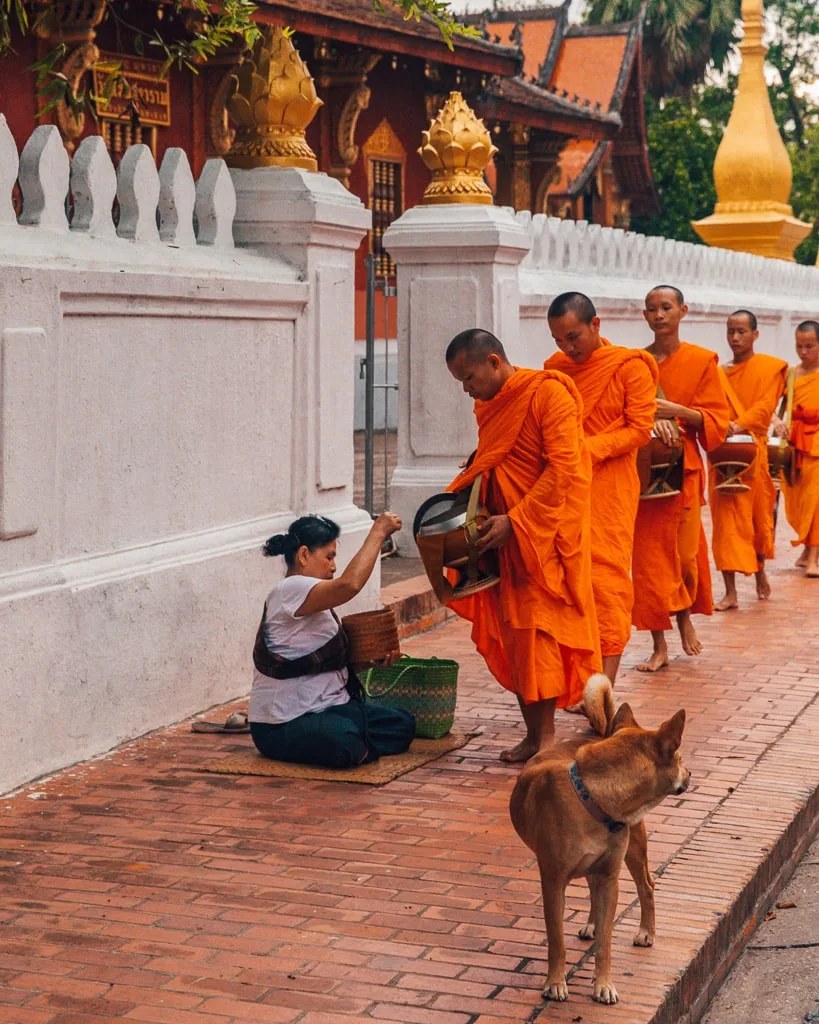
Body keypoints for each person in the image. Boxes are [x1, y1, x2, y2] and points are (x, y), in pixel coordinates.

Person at [445, 328, 601, 762]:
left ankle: (547, 738)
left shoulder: (548, 394)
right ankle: (533, 736)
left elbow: (564, 468)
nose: (466, 389)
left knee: (538, 636)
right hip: (500, 536)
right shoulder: (490, 404)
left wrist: (518, 521)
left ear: (495, 361)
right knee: (515, 636)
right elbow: (500, 452)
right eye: (460, 381)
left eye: (470, 377)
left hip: (543, 535)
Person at [544, 292, 657, 685]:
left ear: (596, 325)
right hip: (564, 489)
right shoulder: (554, 370)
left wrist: (589, 449)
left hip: (609, 488)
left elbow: (640, 429)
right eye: (559, 340)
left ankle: (603, 682)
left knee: (606, 581)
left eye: (573, 337)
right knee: (568, 581)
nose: (567, 348)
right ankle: (577, 677)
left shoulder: (629, 367)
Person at [249, 513, 416, 768]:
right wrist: (378, 532)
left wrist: (370, 662)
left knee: (402, 724)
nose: (334, 566)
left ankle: (355, 741)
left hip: (330, 708)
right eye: (329, 557)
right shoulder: (289, 589)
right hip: (283, 722)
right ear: (304, 555)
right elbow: (349, 585)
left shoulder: (316, 601)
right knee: (345, 741)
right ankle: (352, 741)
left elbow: (325, 667)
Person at [632, 286, 731, 672]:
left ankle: (684, 616)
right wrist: (653, 421)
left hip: (685, 469)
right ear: (645, 315)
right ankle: (658, 644)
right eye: (652, 309)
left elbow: (716, 420)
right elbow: (627, 412)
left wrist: (676, 411)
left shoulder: (702, 361)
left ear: (682, 311)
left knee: (685, 556)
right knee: (649, 562)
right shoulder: (638, 362)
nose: (659, 315)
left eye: (666, 308)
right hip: (647, 469)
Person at [710, 310, 787, 609]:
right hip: (722, 454)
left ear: (755, 334)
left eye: (741, 331)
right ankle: (730, 591)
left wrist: (738, 425)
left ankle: (759, 572)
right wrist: (723, 427)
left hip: (753, 454)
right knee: (725, 524)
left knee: (757, 521)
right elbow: (711, 403)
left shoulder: (768, 369)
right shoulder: (717, 371)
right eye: (730, 331)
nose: (735, 337)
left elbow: (766, 406)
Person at [772, 321, 819, 578]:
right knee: (799, 502)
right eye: (799, 346)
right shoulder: (790, 375)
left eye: (810, 346)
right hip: (794, 445)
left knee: (816, 501)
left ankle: (813, 557)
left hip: (817, 445)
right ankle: (807, 550)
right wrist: (777, 422)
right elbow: (771, 405)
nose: (803, 352)